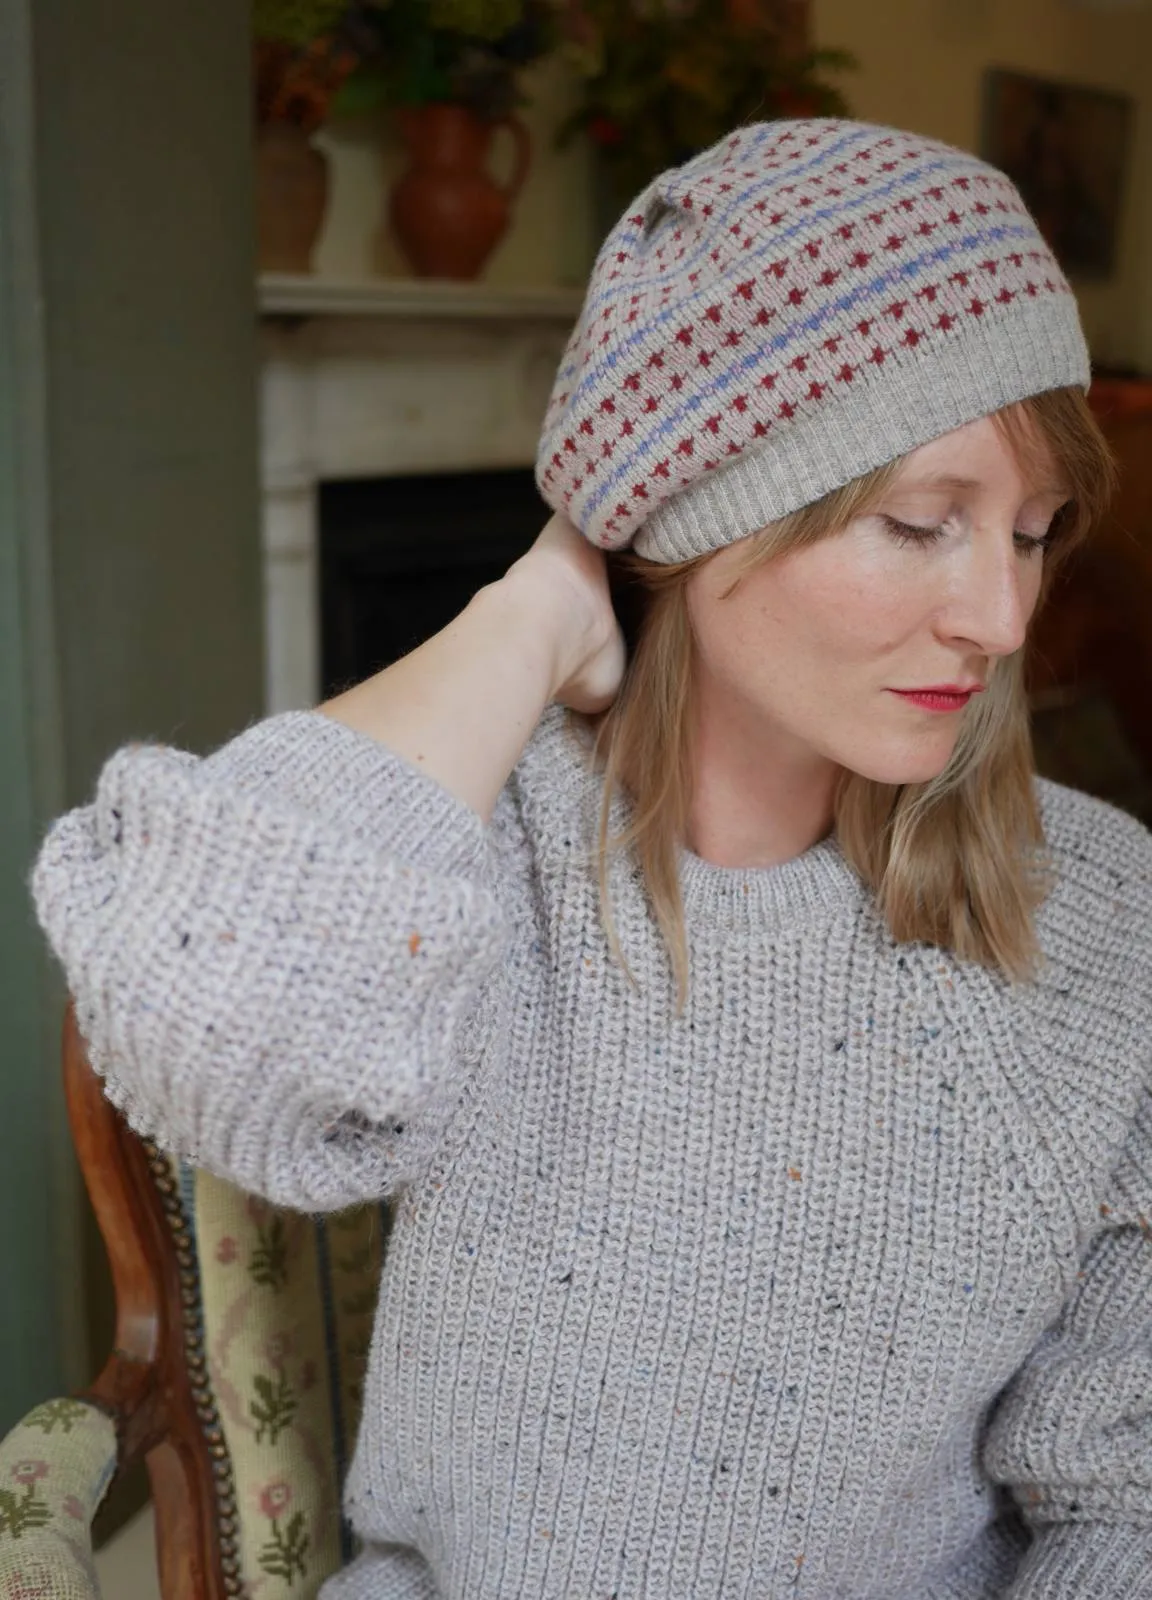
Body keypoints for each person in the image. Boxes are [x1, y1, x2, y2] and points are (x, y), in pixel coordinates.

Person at [32, 120, 1152, 1599]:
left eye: (1031, 532)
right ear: (702, 518)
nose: (1003, 622)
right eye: (920, 525)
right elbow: (197, 1020)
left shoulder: (1100, 915)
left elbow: (1122, 1495)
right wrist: (531, 612)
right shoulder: (471, 867)